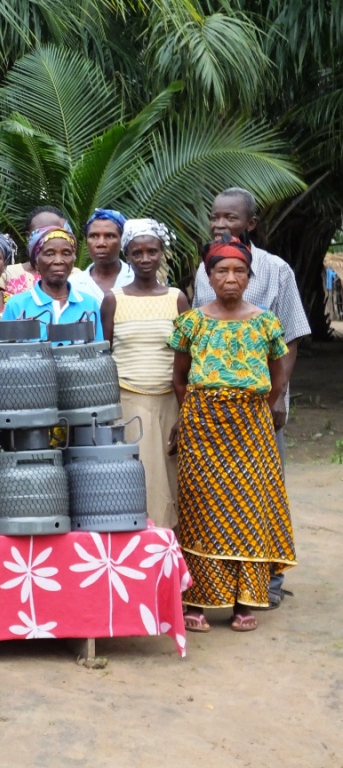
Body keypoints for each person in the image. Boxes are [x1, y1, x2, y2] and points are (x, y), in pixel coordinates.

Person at [169, 236, 296, 632]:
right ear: (208, 277)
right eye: (221, 271)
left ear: (248, 277)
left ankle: (244, 601)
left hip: (251, 428)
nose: (230, 278)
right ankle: (198, 602)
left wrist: (253, 405)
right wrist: (198, 412)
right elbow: (179, 377)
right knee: (201, 509)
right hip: (203, 426)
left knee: (247, 508)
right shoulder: (192, 321)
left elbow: (276, 378)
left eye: (239, 271)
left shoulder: (265, 321)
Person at [192, 187, 310, 608]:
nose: (221, 224)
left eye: (231, 218)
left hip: (261, 404)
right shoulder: (204, 269)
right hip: (212, 414)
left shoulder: (276, 270)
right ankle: (223, 579)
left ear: (251, 224)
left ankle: (269, 579)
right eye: (216, 216)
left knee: (262, 489)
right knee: (218, 492)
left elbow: (291, 337)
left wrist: (277, 398)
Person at [100, 219, 189, 529]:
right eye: (137, 253)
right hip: (128, 403)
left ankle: (171, 553)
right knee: (136, 477)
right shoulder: (113, 300)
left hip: (169, 402)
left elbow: (187, 358)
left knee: (170, 477)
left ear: (162, 253)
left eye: (152, 251)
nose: (145, 259)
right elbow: (104, 356)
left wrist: (185, 410)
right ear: (127, 255)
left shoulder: (176, 298)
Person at [0, 226, 103, 341]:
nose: (58, 261)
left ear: (73, 261)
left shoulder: (89, 304)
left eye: (66, 253)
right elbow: (5, 355)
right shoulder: (17, 305)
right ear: (36, 263)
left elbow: (98, 352)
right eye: (49, 254)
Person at [2, 205, 71, 296]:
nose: (47, 237)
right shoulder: (6, 275)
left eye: (54, 231)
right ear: (28, 237)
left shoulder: (78, 278)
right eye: (41, 232)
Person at [71, 208, 134, 302]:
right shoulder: (73, 285)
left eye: (109, 236)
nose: (101, 243)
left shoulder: (137, 280)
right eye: (94, 236)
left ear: (122, 240)